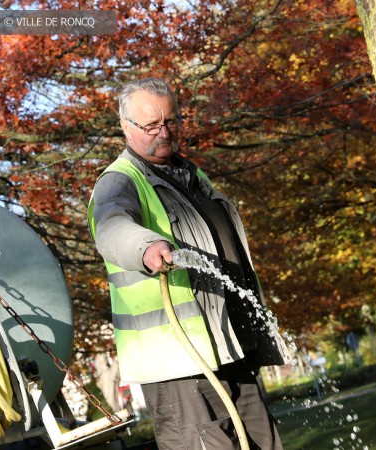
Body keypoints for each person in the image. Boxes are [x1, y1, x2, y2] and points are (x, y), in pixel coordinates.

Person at [88, 77, 291, 450]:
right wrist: (146, 247)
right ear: (125, 127)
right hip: (177, 365)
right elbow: (111, 229)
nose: (163, 132)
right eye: (151, 125)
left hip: (228, 346)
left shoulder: (192, 176)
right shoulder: (118, 183)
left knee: (265, 443)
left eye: (171, 122)